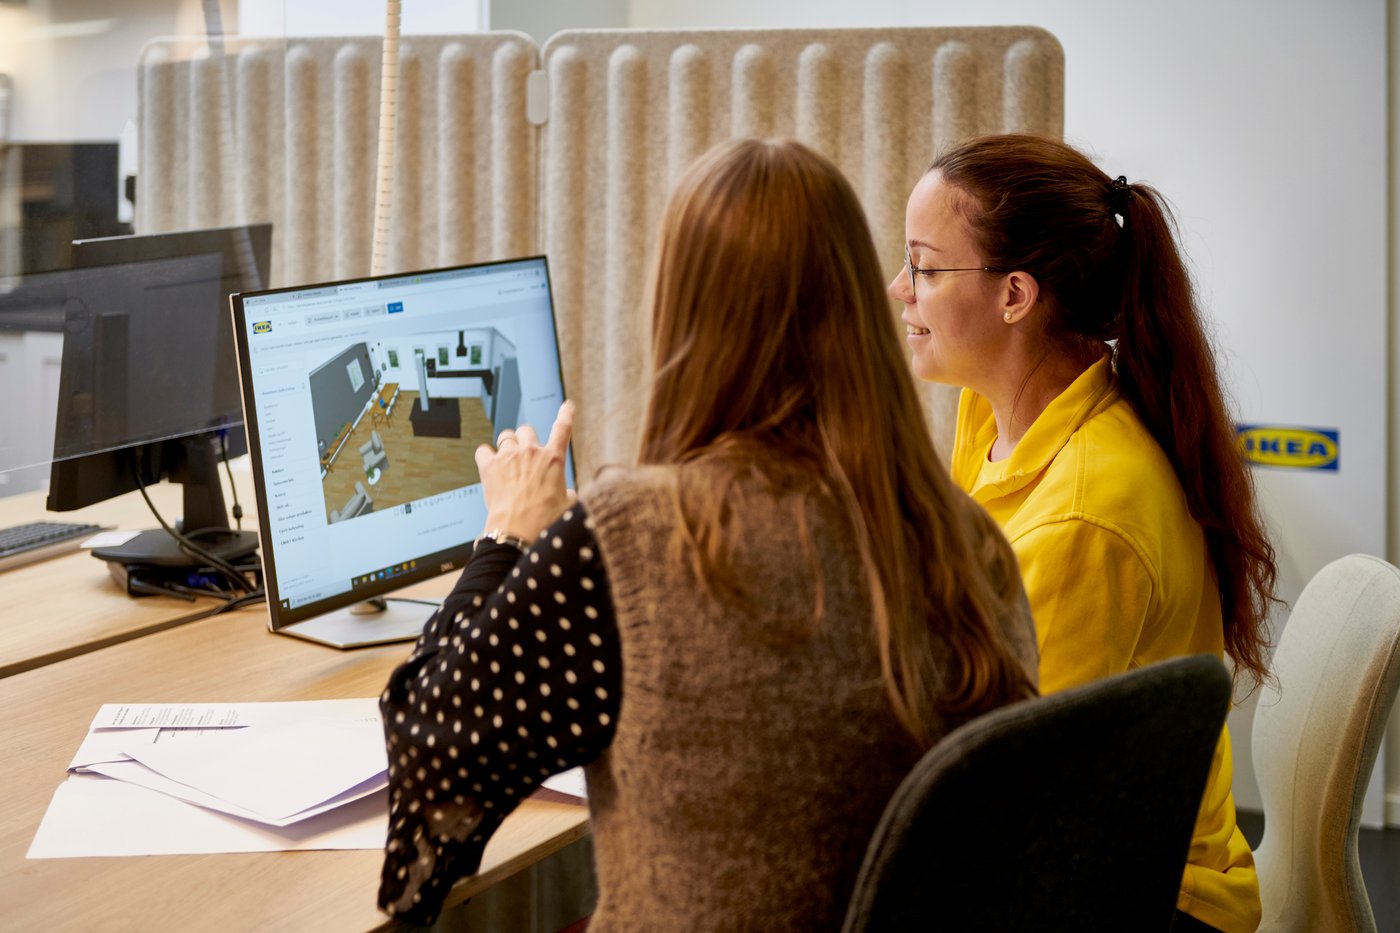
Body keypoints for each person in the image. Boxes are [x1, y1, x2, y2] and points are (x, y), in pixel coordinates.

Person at [377, 138, 1039, 928]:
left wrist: (506, 540)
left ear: (682, 315)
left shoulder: (633, 540)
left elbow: (427, 748)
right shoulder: (961, 536)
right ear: (860, 309)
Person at [889, 133, 1277, 933]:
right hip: (1078, 841)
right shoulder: (997, 414)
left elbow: (1016, 795)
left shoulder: (1085, 511)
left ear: (1016, 295)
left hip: (1144, 893)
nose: (901, 289)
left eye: (925, 268)